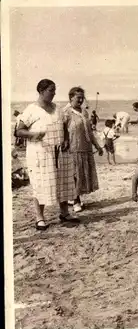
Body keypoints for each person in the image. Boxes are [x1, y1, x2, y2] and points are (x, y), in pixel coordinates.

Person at [15, 79, 79, 230]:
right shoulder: (32, 109)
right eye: (51, 90)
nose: (54, 93)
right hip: (41, 152)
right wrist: (33, 134)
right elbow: (19, 130)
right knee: (41, 184)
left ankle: (64, 213)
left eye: (55, 90)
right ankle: (40, 218)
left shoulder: (57, 109)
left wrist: (66, 140)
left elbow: (64, 126)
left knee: (63, 181)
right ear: (41, 91)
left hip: (60, 151)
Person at [63, 87, 104, 213]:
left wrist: (97, 146)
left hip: (86, 148)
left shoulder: (84, 112)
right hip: (73, 149)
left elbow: (90, 132)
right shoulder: (66, 112)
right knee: (75, 176)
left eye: (82, 97)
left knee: (82, 175)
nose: (80, 100)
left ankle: (75, 198)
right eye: (78, 97)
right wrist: (64, 142)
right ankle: (76, 201)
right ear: (71, 98)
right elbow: (63, 130)